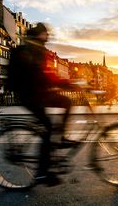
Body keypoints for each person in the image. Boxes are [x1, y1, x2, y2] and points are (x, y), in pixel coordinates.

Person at [8, 22, 77, 185]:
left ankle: (61, 138)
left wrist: (62, 84)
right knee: (47, 130)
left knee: (66, 101)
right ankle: (41, 172)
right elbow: (39, 74)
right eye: (46, 33)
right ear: (39, 35)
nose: (48, 36)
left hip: (38, 93)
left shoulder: (38, 49)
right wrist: (65, 84)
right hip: (29, 95)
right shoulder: (30, 50)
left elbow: (46, 75)